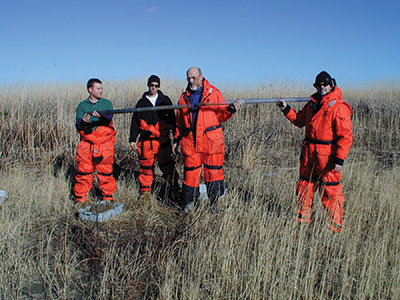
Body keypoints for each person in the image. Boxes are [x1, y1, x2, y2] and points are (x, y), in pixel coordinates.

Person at [277, 71, 353, 232]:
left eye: (324, 84)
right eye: (318, 85)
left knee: (330, 190)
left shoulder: (338, 107)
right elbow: (299, 120)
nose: (321, 87)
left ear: (331, 84)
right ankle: (302, 221)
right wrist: (286, 109)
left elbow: (345, 137)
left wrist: (339, 160)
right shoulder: (311, 105)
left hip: (327, 156)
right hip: (309, 153)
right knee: (304, 186)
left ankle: (335, 226)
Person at [172, 67, 242, 211]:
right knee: (191, 173)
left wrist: (232, 109)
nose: (191, 81)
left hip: (211, 142)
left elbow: (222, 116)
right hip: (190, 141)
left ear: (201, 76)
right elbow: (179, 121)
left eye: (194, 77)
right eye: (189, 78)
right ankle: (190, 203)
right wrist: (176, 139)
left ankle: (214, 204)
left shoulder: (214, 94)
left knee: (213, 172)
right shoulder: (183, 97)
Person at [129, 75, 180, 201]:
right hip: (146, 141)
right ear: (148, 85)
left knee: (168, 165)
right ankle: (145, 191)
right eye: (151, 85)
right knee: (146, 166)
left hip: (162, 140)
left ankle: (175, 188)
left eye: (156, 85)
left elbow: (172, 119)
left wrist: (175, 137)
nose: (153, 87)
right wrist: (132, 138)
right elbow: (135, 121)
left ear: (159, 86)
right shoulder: (141, 103)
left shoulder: (165, 100)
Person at [74, 78, 116, 208]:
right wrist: (84, 122)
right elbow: (78, 125)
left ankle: (108, 197)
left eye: (102, 88)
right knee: (84, 171)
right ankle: (81, 199)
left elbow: (109, 118)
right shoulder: (82, 106)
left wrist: (101, 116)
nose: (101, 91)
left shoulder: (107, 103)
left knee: (105, 171)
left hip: (104, 143)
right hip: (86, 143)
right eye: (98, 88)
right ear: (90, 90)